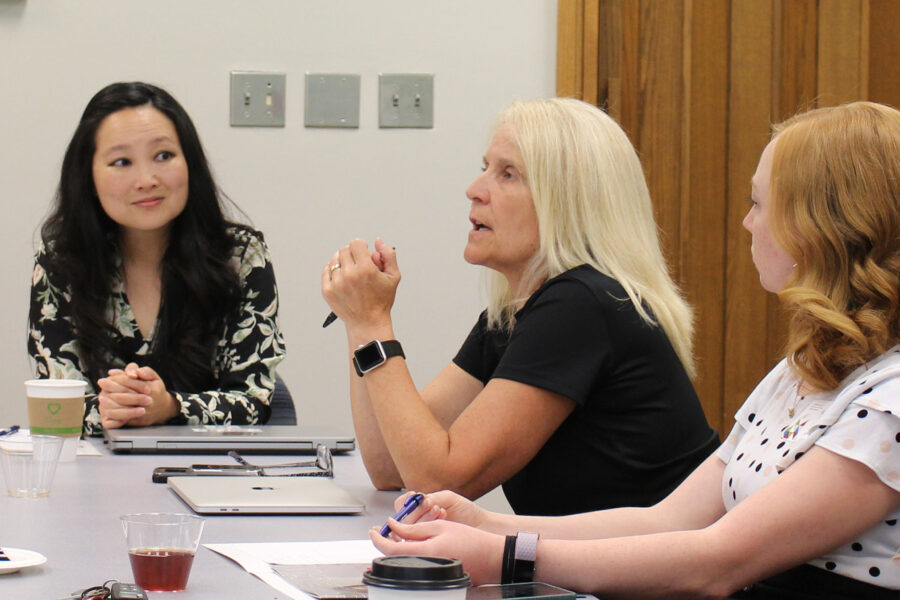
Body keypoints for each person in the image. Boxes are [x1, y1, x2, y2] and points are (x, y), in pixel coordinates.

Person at [371, 101, 900, 599]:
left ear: (825, 227)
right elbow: (665, 519)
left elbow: (717, 563)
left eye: (758, 203)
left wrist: (506, 553)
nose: (746, 223)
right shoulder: (801, 372)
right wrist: (484, 524)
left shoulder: (890, 398)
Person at [321, 98, 719, 516]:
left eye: (507, 174)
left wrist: (373, 321)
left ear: (566, 202)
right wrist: (358, 323)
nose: (474, 189)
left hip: (650, 579)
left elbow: (437, 480)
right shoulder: (513, 316)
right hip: (600, 577)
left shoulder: (582, 305)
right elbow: (390, 466)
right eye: (486, 167)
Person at [28, 81, 286, 436]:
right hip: (97, 474)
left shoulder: (239, 256)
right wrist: (116, 406)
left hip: (213, 474)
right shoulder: (61, 262)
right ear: (88, 176)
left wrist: (169, 407)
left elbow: (253, 401)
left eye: (163, 156)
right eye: (121, 162)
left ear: (190, 163)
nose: (147, 179)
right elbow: (56, 402)